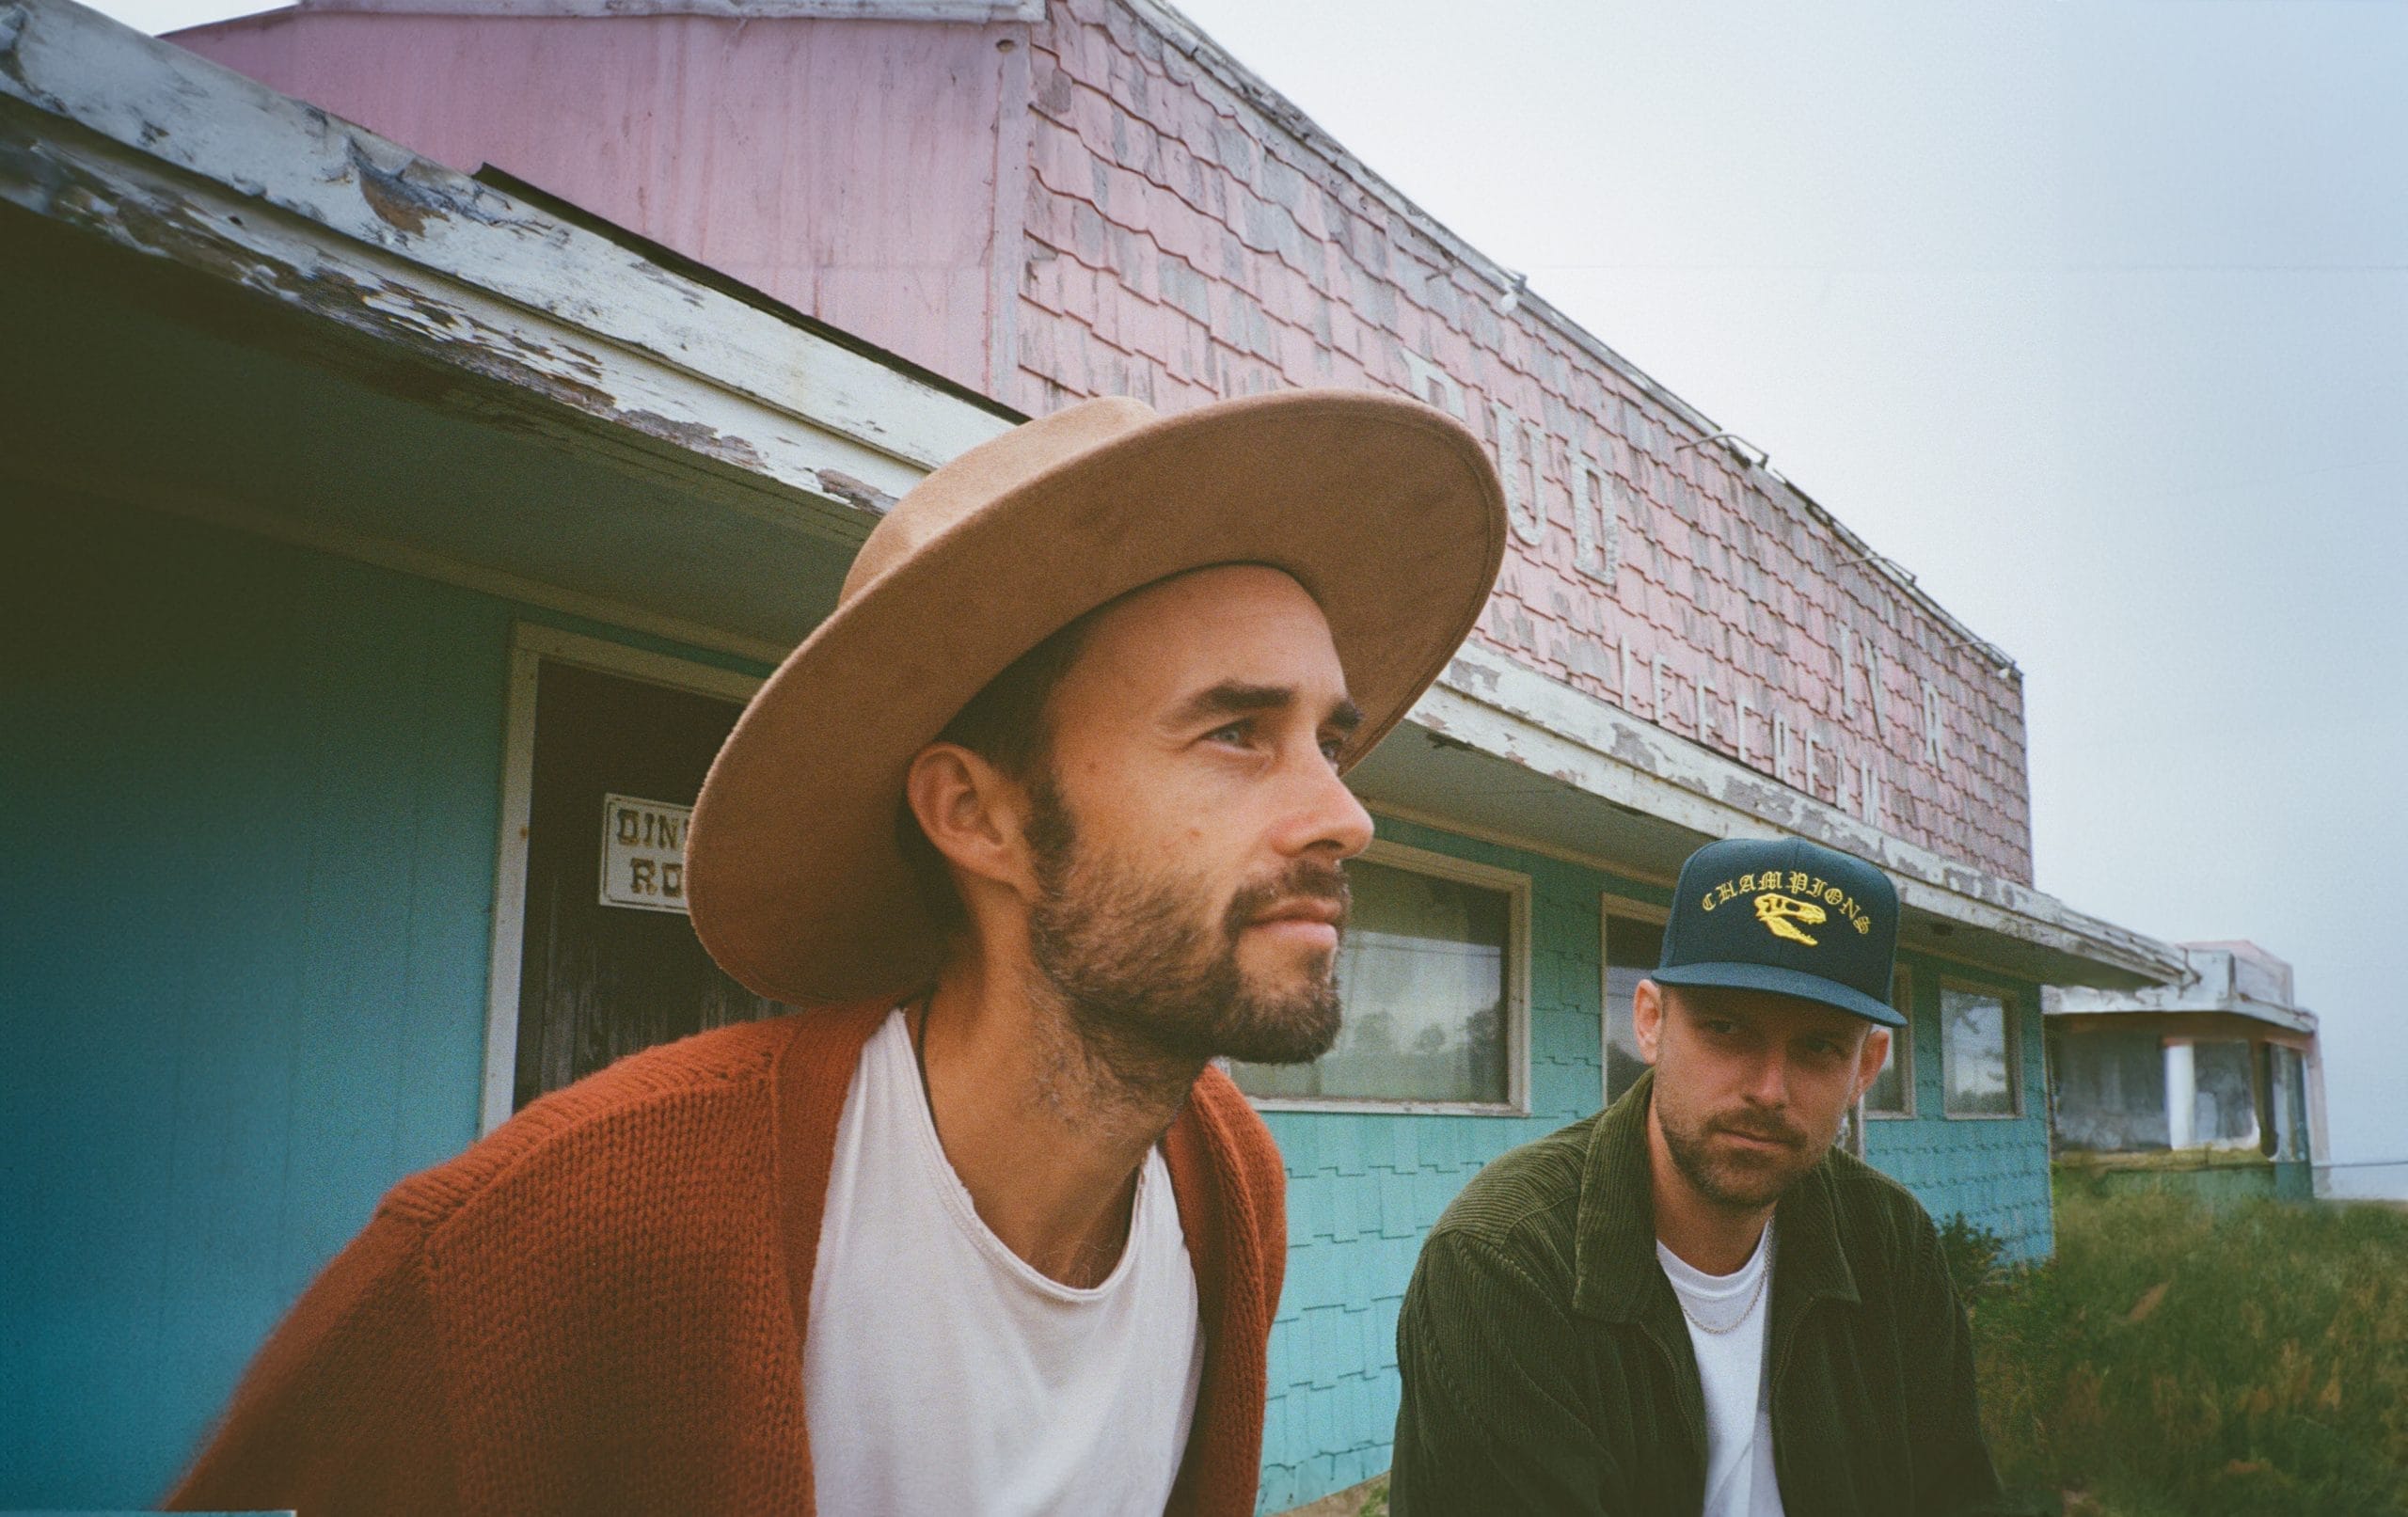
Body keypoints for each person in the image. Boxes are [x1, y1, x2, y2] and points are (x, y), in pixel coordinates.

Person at [168, 390, 1505, 1516]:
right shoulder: (545, 1239)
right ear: (977, 814)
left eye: (1330, 739)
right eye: (1234, 732)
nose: (1346, 812)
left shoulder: (1228, 1188)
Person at [1387, 836, 2004, 1516]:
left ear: (1866, 1066)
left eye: (1818, 1045)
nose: (1768, 1089)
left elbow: (1958, 1492)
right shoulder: (1505, 1260)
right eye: (1726, 1027)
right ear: (1651, 1021)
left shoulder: (1888, 1239)